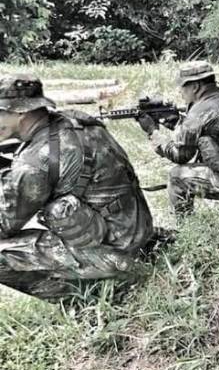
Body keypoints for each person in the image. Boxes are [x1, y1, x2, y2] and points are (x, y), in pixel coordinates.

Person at [0, 74, 153, 300]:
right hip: (137, 228)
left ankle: (90, 301)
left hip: (116, 249)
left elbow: (5, 224)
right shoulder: (76, 122)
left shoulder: (34, 164)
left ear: (20, 111)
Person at [137, 61, 219, 218]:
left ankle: (186, 229)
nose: (181, 92)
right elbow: (218, 128)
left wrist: (152, 131)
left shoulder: (199, 111)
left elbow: (179, 155)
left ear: (195, 87)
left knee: (176, 177)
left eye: (183, 87)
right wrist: (177, 122)